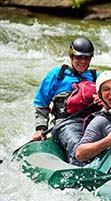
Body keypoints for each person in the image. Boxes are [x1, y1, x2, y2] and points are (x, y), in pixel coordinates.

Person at [32, 37, 99, 166]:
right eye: (79, 57)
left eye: (86, 58)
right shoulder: (57, 75)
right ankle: (80, 172)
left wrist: (103, 100)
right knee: (78, 143)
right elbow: (41, 103)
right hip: (64, 124)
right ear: (71, 56)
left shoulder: (96, 78)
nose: (83, 61)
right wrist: (40, 129)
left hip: (92, 123)